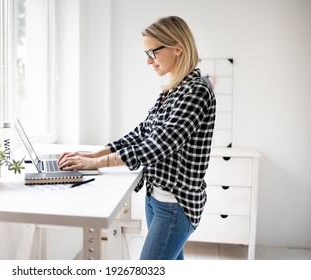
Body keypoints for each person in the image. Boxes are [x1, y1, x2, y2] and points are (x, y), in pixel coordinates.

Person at [57, 16, 216, 260]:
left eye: (152, 52)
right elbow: (142, 132)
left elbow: (158, 145)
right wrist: (94, 154)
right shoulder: (172, 91)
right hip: (157, 199)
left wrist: (95, 164)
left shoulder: (196, 91)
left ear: (178, 48)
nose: (148, 61)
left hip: (175, 205)